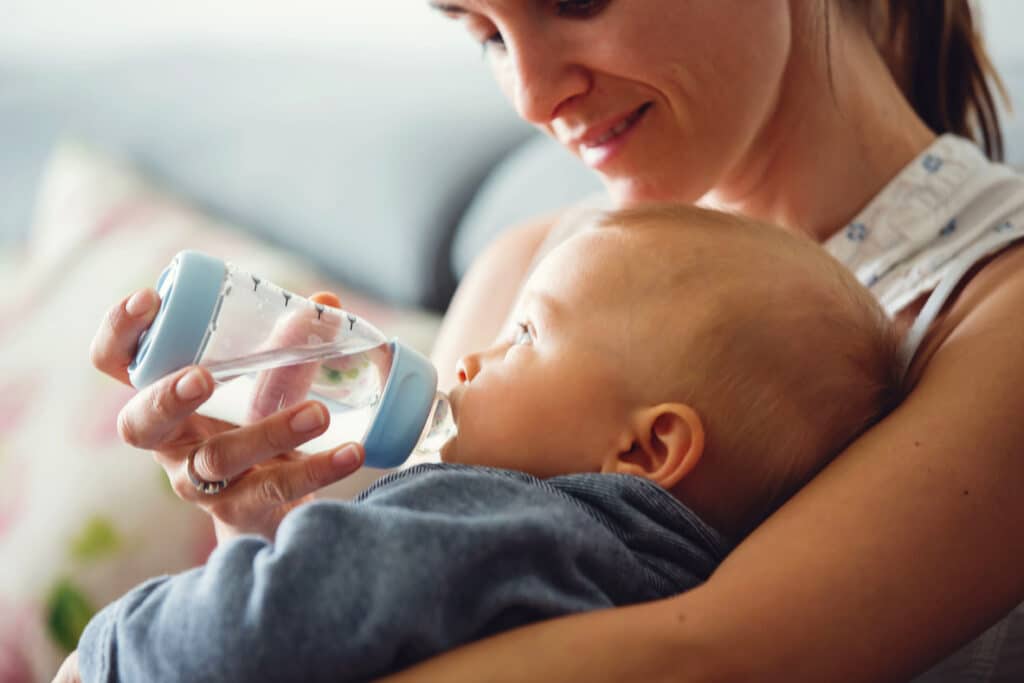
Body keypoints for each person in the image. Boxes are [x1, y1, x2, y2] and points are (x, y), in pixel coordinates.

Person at [82, 1, 1024, 681]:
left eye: (576, 1)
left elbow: (703, 656)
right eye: (486, 32)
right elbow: (415, 591)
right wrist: (265, 525)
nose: (532, 98)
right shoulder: (525, 266)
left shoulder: (995, 311)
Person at [75, 206, 901, 681]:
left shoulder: (500, 516)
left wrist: (105, 649)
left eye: (527, 335)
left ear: (647, 451)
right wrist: (249, 522)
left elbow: (274, 619)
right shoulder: (639, 568)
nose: (470, 355)